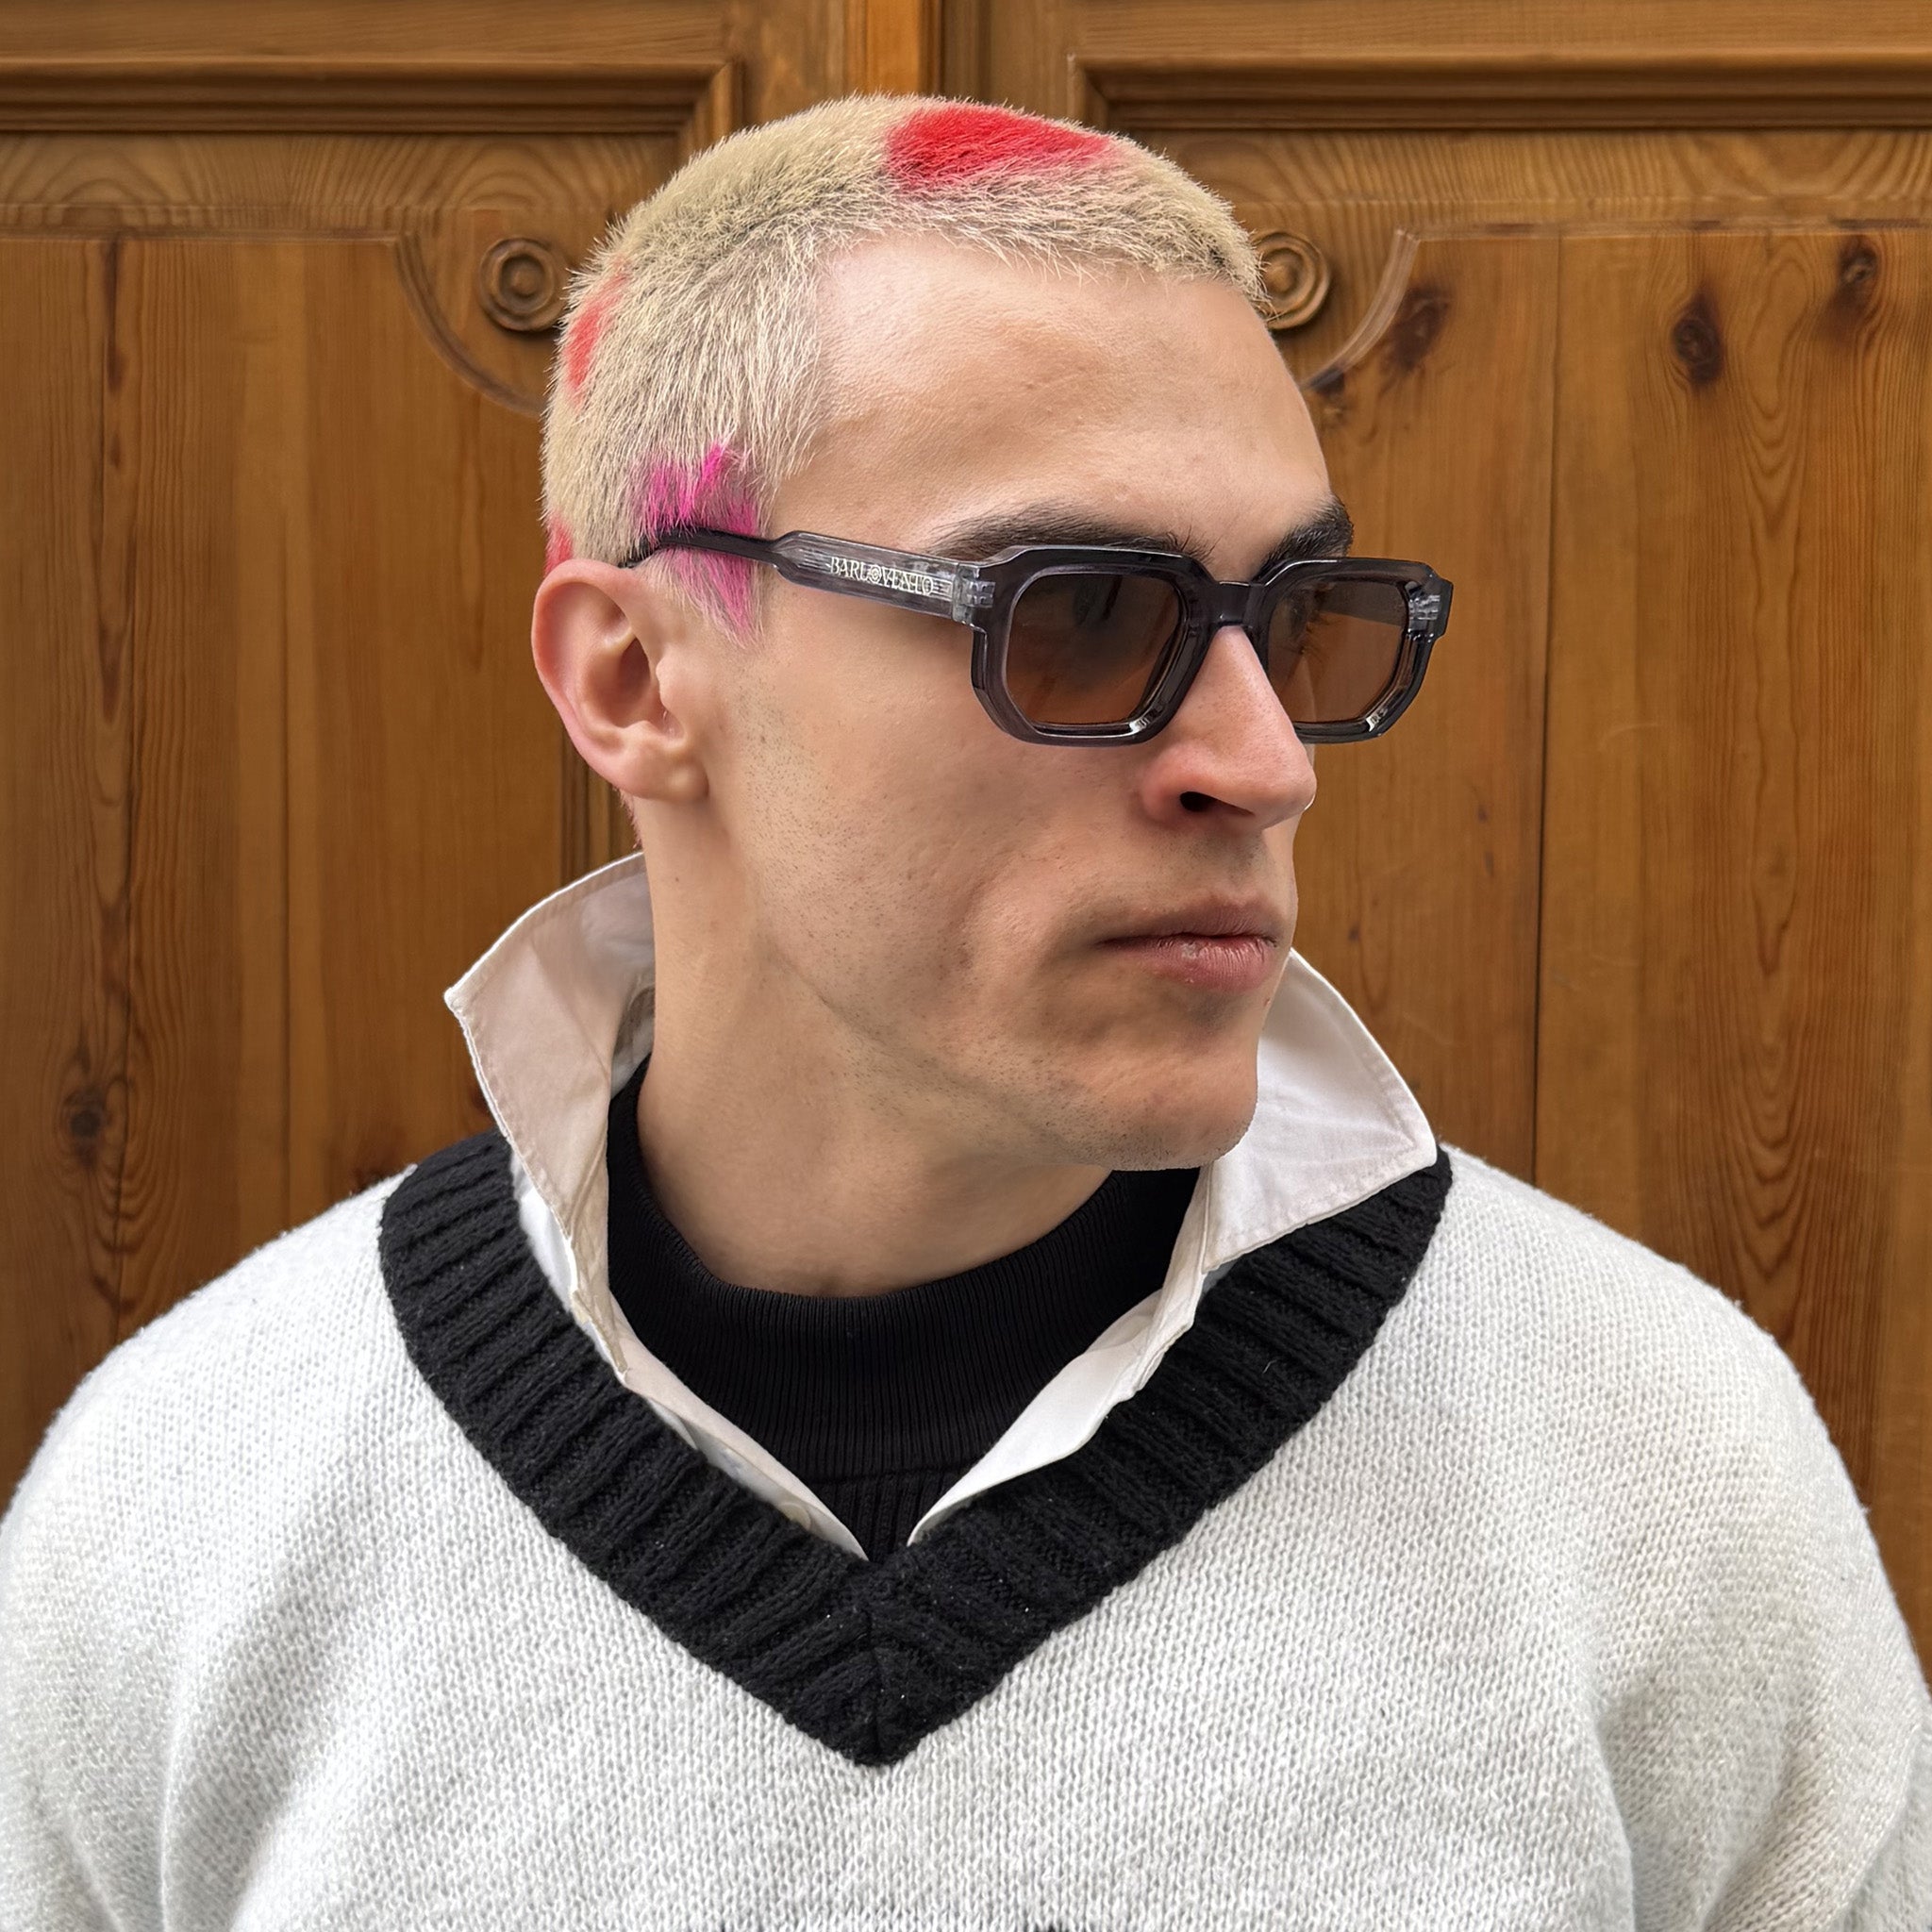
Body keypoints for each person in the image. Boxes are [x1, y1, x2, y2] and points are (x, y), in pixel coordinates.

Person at [1, 93, 1926, 1929]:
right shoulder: (191, 1502)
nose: (1265, 762)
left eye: (1289, 618)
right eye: (1076, 613)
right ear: (635, 679)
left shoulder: (1649, 1470)